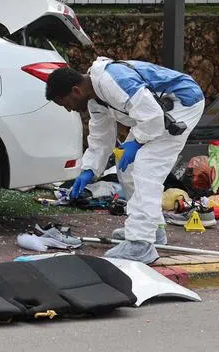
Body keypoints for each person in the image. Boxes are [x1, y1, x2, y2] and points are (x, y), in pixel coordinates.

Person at [44, 58, 205, 264]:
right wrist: (89, 170)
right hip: (155, 115)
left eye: (65, 103)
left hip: (182, 104)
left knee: (147, 167)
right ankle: (152, 229)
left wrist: (137, 142)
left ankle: (141, 243)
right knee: (126, 168)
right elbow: (101, 137)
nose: (69, 109)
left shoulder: (114, 82)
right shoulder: (94, 98)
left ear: (76, 91)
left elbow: (154, 118)